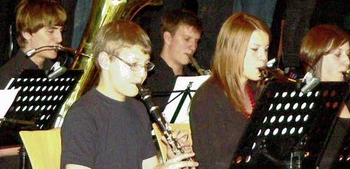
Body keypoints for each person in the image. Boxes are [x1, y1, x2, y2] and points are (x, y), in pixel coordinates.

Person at [61, 19, 197, 168]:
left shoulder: (138, 109)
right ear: (105, 61)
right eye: (133, 64)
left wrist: (171, 160)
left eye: (145, 65)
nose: (142, 74)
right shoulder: (83, 115)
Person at [0, 0, 66, 169]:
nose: (59, 38)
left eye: (60, 30)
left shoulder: (56, 72)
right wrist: (53, 137)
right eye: (51, 31)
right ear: (27, 33)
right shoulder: (5, 78)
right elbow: (1, 149)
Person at [190, 12, 269, 168]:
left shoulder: (260, 90)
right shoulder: (208, 98)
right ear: (233, 50)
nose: (263, 58)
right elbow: (210, 163)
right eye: (255, 49)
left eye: (266, 50)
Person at [299, 24, 350, 168]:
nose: (347, 61)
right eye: (338, 54)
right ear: (315, 57)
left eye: (347, 54)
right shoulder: (303, 106)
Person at [144, 9, 203, 108]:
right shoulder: (147, 79)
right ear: (168, 38)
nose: (193, 47)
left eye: (196, 41)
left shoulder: (195, 79)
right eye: (187, 39)